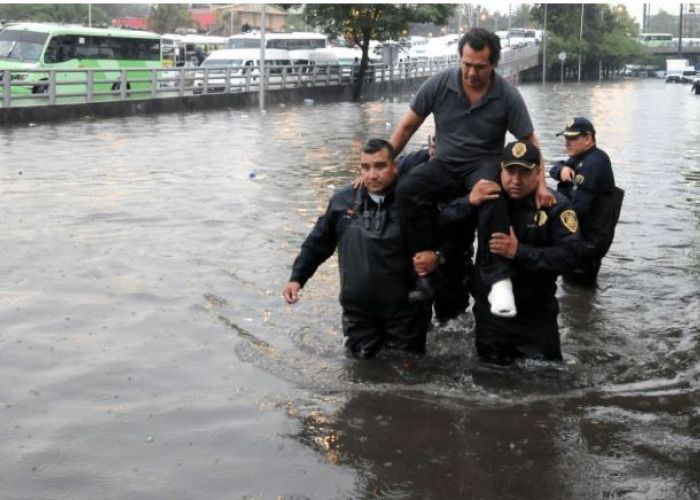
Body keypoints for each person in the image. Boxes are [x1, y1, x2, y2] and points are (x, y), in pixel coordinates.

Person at [389, 27, 554, 318]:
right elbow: (406, 127)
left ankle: (499, 279)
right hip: (444, 163)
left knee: (493, 196)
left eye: (479, 66)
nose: (471, 72)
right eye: (466, 64)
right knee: (406, 190)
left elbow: (530, 142)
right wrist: (384, 164)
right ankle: (424, 268)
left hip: (483, 164)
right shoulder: (440, 83)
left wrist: (541, 185)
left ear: (493, 64)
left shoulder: (507, 94)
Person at [283, 139, 432, 358]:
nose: (372, 175)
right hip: (358, 309)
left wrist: (437, 256)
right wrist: (297, 277)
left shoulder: (414, 199)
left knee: (408, 372)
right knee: (360, 369)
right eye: (365, 167)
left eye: (380, 166)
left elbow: (446, 236)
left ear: (395, 167)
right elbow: (317, 243)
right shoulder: (342, 201)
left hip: (405, 309)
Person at [440, 140, 580, 363]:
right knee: (489, 378)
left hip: (536, 315)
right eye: (510, 171)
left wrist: (518, 251)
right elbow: (442, 221)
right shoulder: (487, 197)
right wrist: (468, 201)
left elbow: (571, 257)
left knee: (548, 380)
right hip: (491, 315)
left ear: (538, 173)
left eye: (524, 172)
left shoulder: (556, 205)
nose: (515, 180)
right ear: (501, 170)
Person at [397, 135, 473, 323]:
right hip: (417, 256)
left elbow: (468, 225)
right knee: (415, 321)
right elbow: (384, 171)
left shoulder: (468, 171)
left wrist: (440, 254)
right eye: (433, 146)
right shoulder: (411, 163)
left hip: (453, 253)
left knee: (453, 322)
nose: (434, 152)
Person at [549, 117, 624, 286]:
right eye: (566, 138)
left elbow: (577, 209)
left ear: (588, 138)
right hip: (586, 238)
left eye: (573, 138)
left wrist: (550, 213)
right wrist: (562, 169)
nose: (567, 143)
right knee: (576, 290)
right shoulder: (582, 157)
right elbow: (554, 168)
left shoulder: (593, 163)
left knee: (577, 291)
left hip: (587, 242)